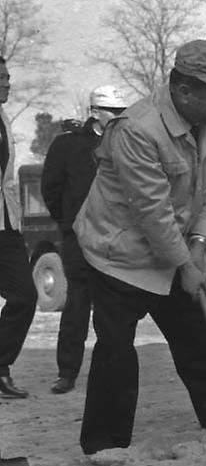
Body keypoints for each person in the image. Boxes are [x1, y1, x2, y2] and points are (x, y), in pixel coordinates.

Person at [73, 40, 206, 454]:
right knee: (116, 349)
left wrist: (201, 244)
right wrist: (186, 262)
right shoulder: (137, 128)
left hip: (177, 245)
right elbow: (151, 210)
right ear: (185, 91)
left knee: (199, 339)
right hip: (118, 254)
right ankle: (105, 448)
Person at [41, 84, 128, 394]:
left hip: (117, 236)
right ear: (95, 113)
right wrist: (69, 222)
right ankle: (67, 372)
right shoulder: (68, 146)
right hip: (78, 237)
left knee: (113, 305)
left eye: (122, 112)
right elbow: (51, 189)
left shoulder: (128, 143)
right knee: (77, 302)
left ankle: (110, 372)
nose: (119, 118)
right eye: (112, 113)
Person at [0, 56, 38, 399]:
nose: (8, 83)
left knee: (25, 296)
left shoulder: (4, 119)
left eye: (8, 77)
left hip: (5, 224)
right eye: (1, 78)